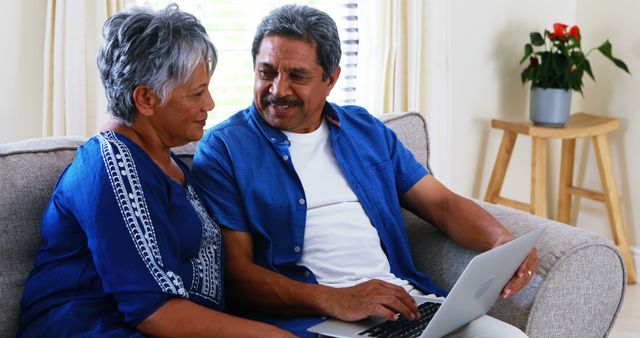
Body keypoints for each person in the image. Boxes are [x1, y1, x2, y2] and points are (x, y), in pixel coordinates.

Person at [192, 4, 537, 338]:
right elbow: (237, 277)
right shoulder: (225, 148)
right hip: (314, 319)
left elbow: (442, 205)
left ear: (331, 78)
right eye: (266, 72)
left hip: (405, 304)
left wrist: (502, 242)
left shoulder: (365, 131)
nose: (278, 89)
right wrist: (338, 299)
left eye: (297, 76)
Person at [17, 4, 294, 338]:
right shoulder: (110, 166)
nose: (210, 104)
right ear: (146, 99)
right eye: (196, 93)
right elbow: (156, 312)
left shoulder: (164, 161)